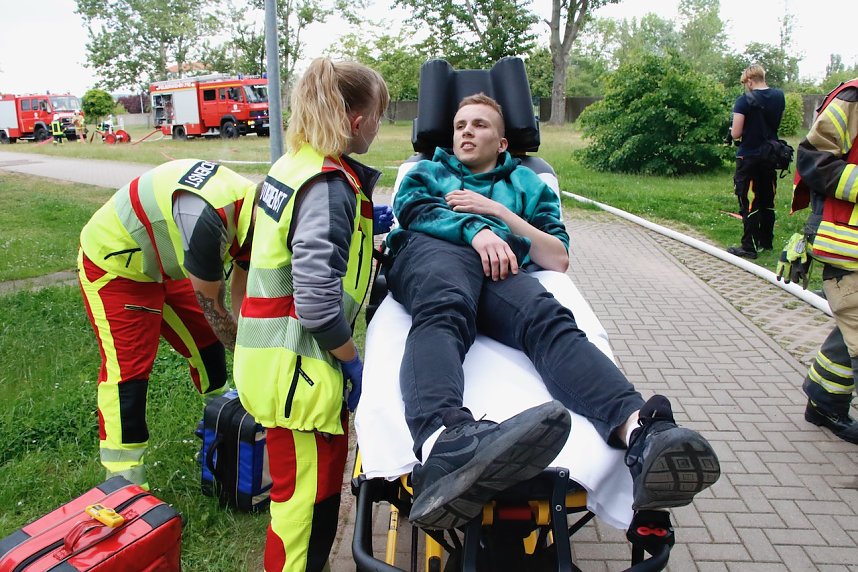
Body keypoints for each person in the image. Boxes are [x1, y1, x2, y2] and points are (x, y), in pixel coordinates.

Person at [385, 93, 721, 530]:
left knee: (549, 318)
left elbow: (556, 257)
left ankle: (641, 431)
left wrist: (497, 213)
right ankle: (442, 441)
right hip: (433, 253)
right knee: (445, 308)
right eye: (460, 125)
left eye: (480, 125)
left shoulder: (529, 186)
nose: (466, 132)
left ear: (503, 143)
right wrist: (476, 231)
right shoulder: (428, 171)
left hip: (498, 269)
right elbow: (412, 210)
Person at [232, 58, 391, 572]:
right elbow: (318, 300)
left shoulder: (292, 163)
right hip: (299, 371)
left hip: (277, 361)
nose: (379, 125)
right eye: (378, 114)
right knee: (299, 511)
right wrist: (352, 362)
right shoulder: (326, 185)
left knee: (319, 497)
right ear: (355, 119)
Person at [78, 159, 259, 489]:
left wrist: (248, 342)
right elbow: (218, 314)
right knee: (129, 373)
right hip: (116, 264)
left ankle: (221, 421)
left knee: (206, 343)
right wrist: (253, 360)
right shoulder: (208, 222)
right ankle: (125, 483)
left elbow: (240, 295)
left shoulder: (251, 211)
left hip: (165, 263)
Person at [779, 77, 858, 444]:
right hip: (848, 244)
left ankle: (824, 403)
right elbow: (813, 160)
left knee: (850, 330)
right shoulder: (853, 98)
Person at [726, 64, 785, 259]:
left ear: (750, 81)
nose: (746, 87)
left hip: (749, 156)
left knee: (749, 200)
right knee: (767, 199)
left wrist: (731, 134)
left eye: (746, 83)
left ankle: (748, 246)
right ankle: (766, 241)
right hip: (771, 154)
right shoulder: (779, 97)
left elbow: (736, 133)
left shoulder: (744, 101)